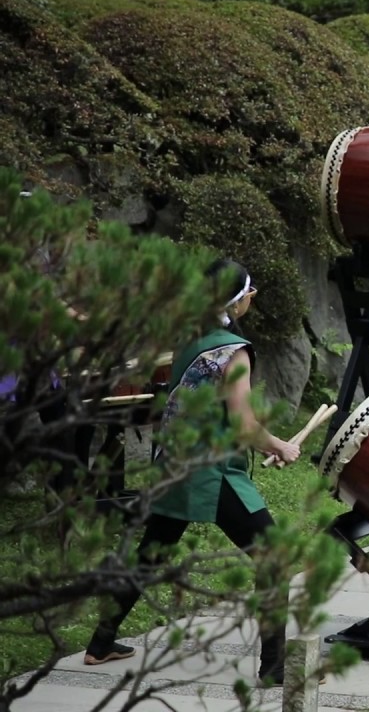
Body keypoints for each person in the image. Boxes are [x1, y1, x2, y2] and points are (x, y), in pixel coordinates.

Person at [84, 259, 302, 686]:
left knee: (153, 550)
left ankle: (100, 642)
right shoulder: (233, 352)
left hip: (174, 464)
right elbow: (241, 423)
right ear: (237, 301)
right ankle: (275, 667)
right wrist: (279, 444)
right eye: (249, 291)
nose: (252, 297)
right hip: (212, 471)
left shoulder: (191, 341)